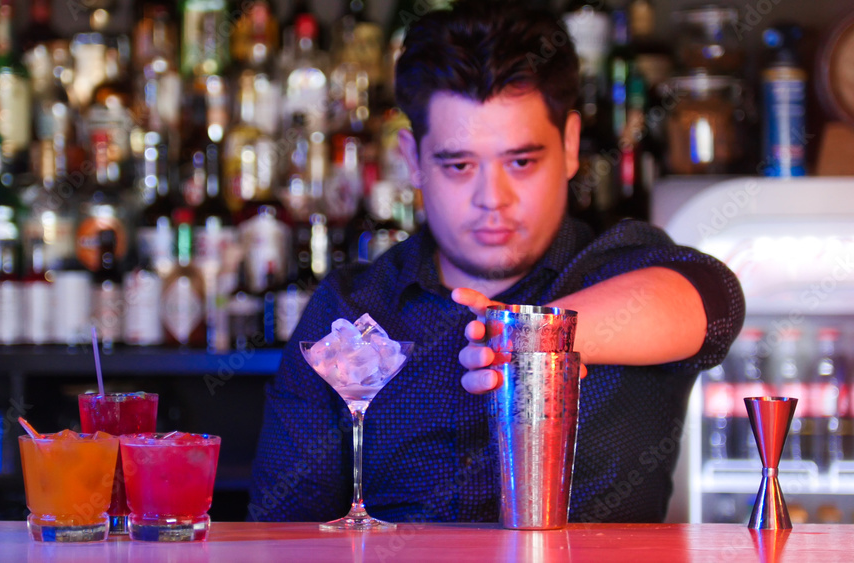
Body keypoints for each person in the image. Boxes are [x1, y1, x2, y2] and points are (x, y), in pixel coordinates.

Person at [248, 1, 744, 524]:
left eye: (521, 162)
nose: (493, 197)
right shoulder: (352, 309)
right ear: (413, 160)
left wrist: (529, 341)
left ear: (570, 145)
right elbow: (282, 528)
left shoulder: (616, 269)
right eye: (459, 165)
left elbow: (714, 302)